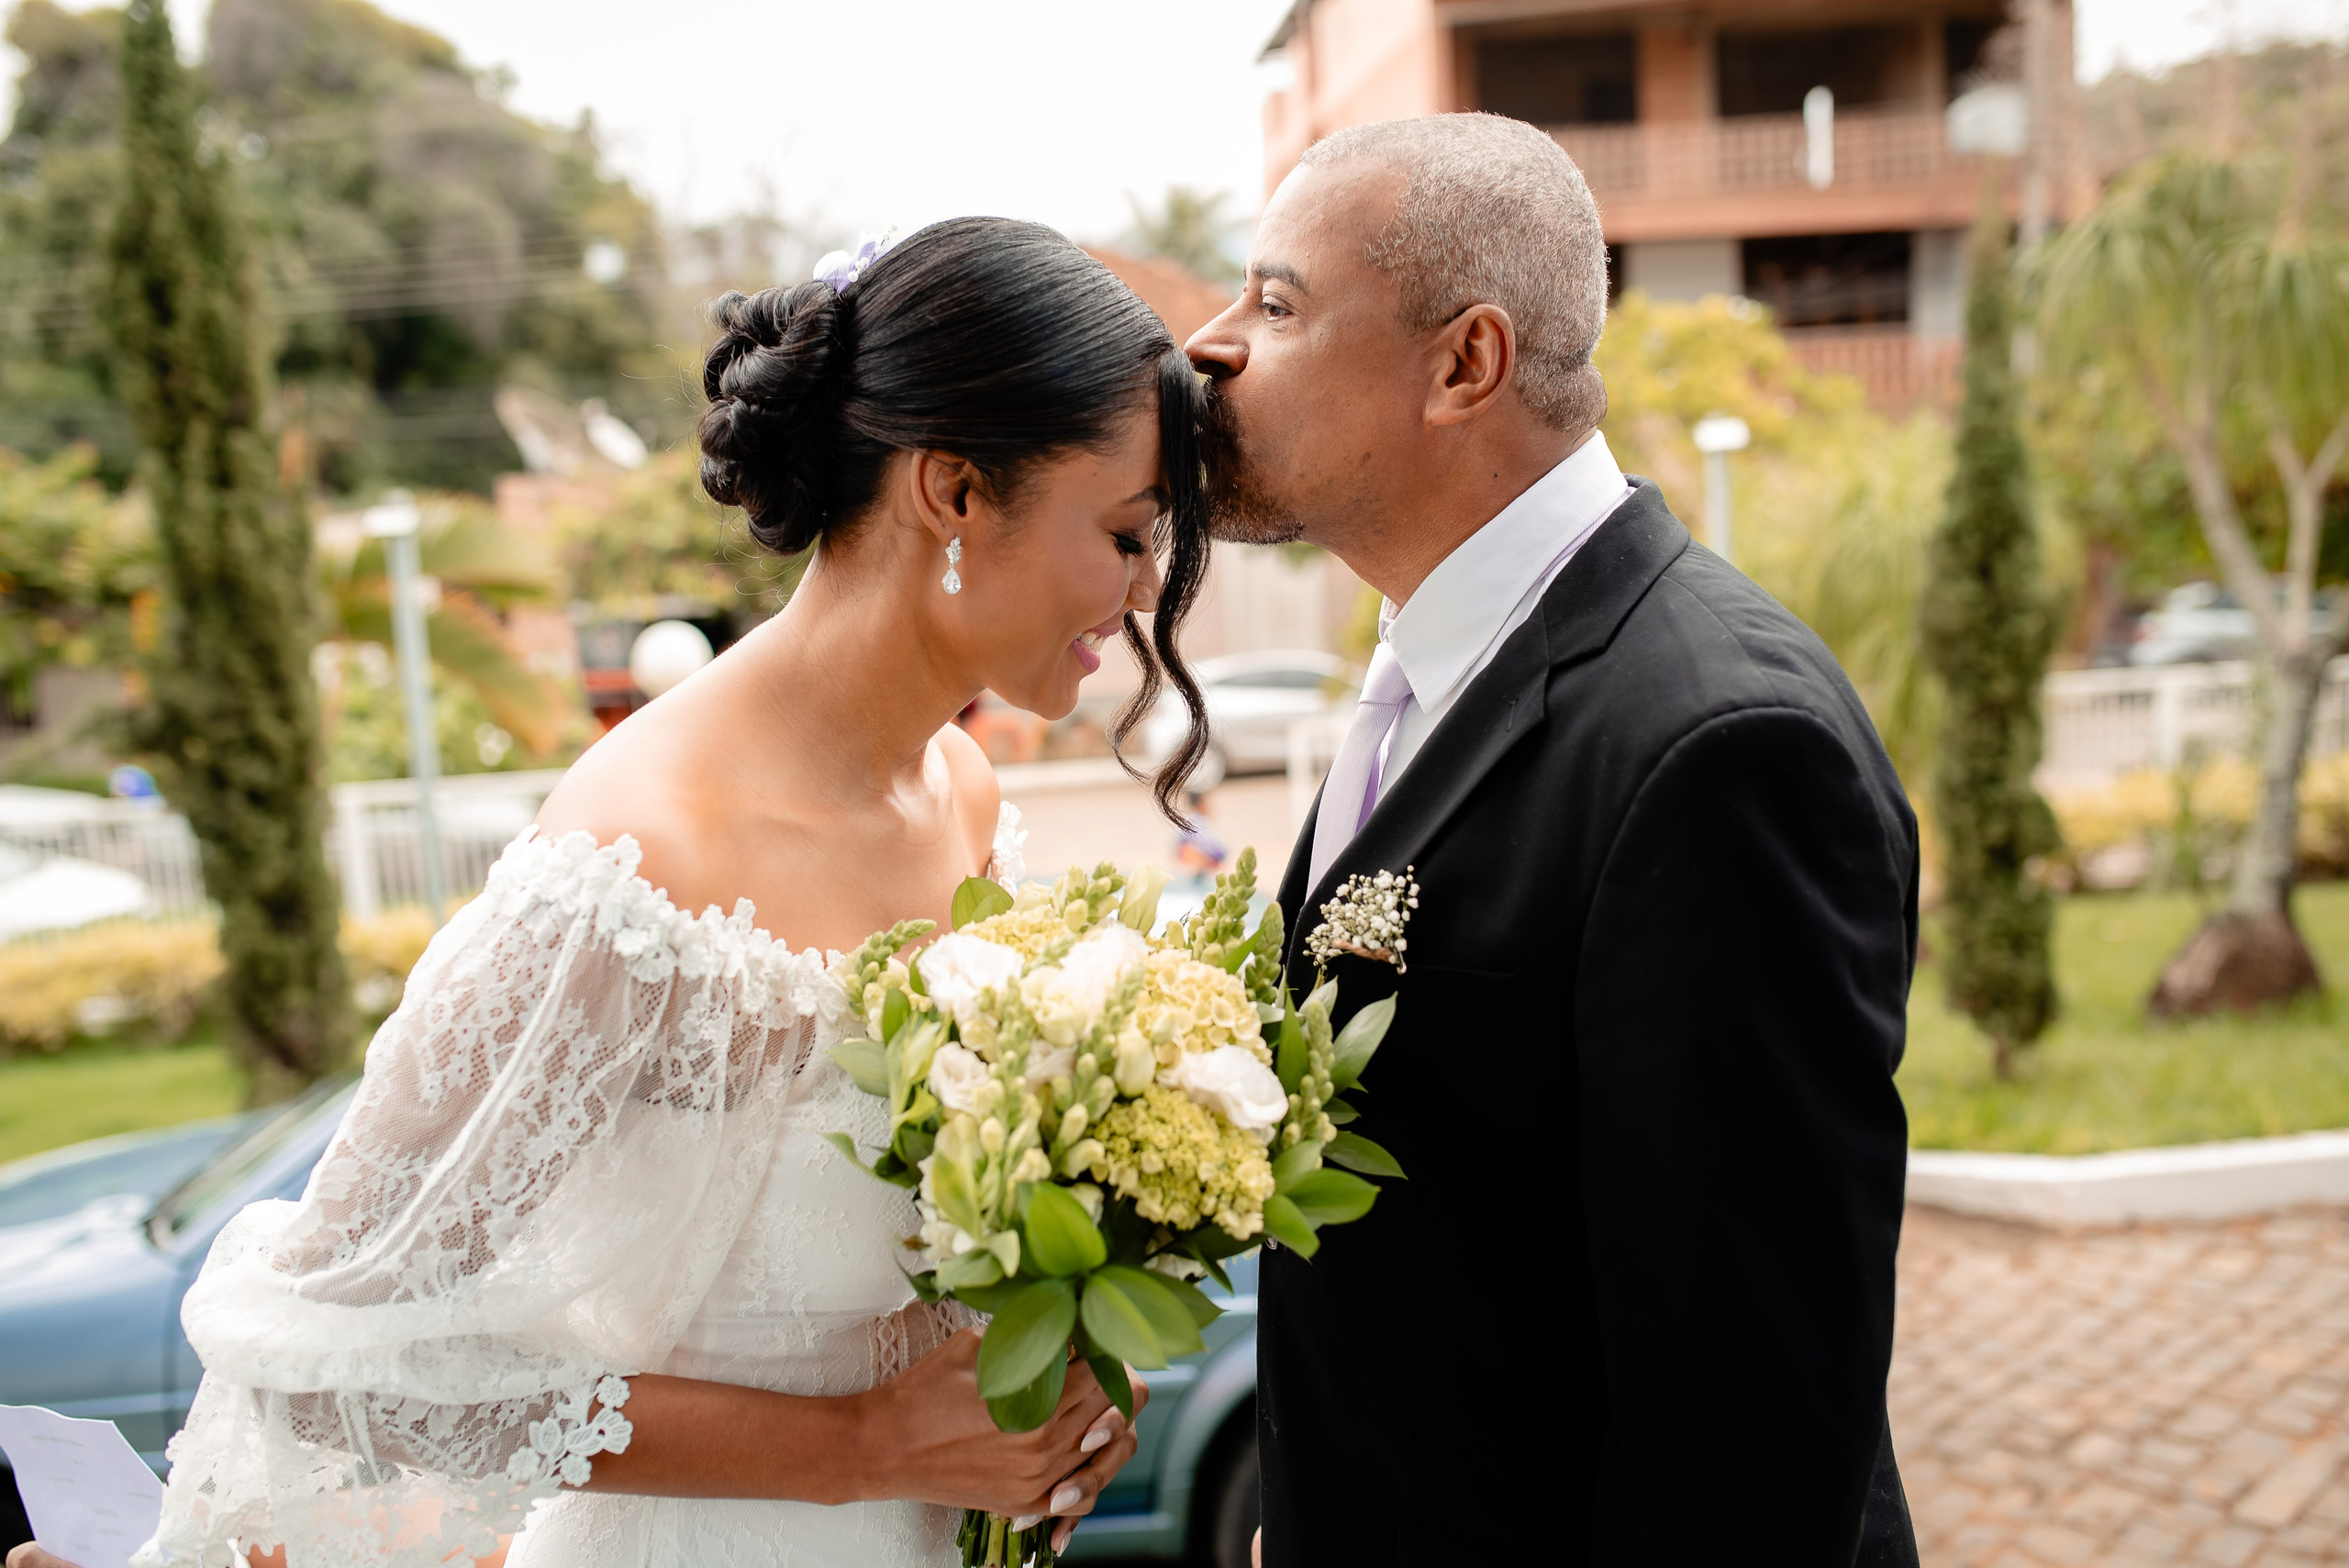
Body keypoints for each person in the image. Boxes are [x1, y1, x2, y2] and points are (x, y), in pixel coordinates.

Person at [95, 217, 1212, 1568]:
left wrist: (1050, 1377)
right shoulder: (636, 860)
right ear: (955, 493)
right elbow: (340, 1360)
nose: (1146, 594)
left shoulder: (967, 795)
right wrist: (861, 1443)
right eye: (1125, 533)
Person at [1188, 116, 1920, 1566]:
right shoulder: (1433, 666)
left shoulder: (1720, 751)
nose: (1211, 345)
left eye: (1276, 304)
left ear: (1467, 363)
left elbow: (1746, 1428)